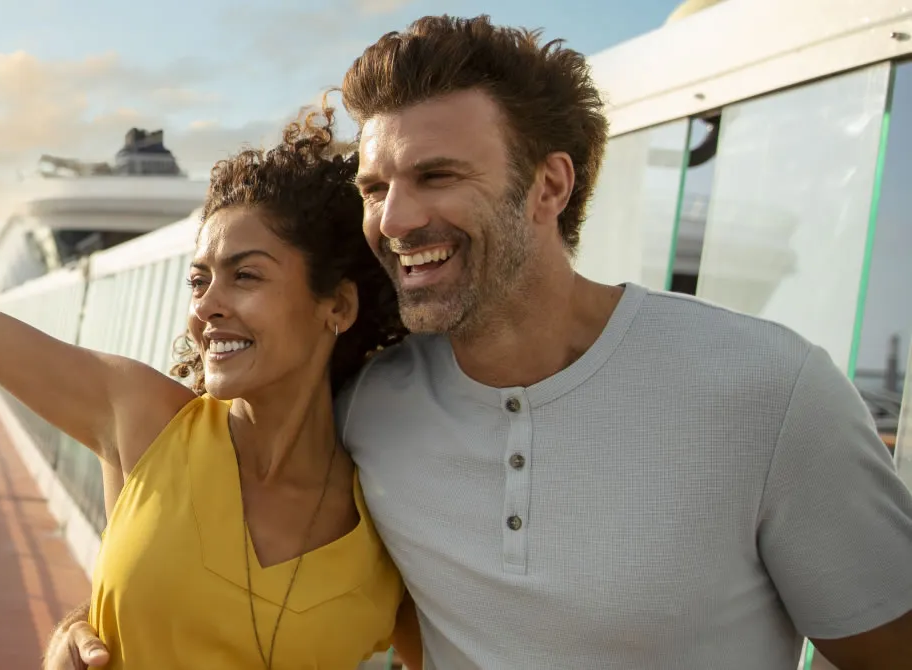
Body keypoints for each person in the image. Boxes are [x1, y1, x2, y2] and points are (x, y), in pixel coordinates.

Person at [44, 13, 912, 669]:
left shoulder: (769, 390)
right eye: (375, 185)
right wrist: (79, 633)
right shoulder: (367, 408)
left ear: (549, 184)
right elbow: (185, 518)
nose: (393, 218)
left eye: (437, 176)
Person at [0, 104, 421, 668]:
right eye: (198, 281)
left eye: (245, 276)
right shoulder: (143, 418)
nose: (207, 307)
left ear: (336, 305)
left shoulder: (395, 518)